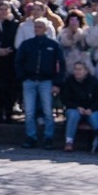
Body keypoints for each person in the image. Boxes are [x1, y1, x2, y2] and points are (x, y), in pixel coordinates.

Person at [15, 17, 66, 150]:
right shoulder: (27, 44)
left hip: (47, 81)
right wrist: (22, 77)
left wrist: (57, 83)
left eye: (40, 27)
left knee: (48, 112)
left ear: (46, 29)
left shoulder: (54, 45)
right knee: (29, 112)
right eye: (36, 26)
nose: (37, 29)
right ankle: (31, 137)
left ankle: (49, 137)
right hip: (29, 81)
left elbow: (61, 65)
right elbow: (19, 61)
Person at [60, 61, 98, 152]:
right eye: (75, 69)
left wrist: (91, 109)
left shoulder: (93, 81)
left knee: (95, 117)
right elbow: (65, 99)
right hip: (74, 108)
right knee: (73, 115)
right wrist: (77, 107)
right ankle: (69, 142)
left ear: (86, 71)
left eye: (80, 69)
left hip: (90, 109)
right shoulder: (69, 81)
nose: (77, 72)